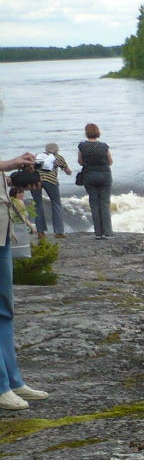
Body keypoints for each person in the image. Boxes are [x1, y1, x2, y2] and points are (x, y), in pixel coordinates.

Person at [0, 148, 50, 411]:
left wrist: (13, 180)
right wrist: (10, 163)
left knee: (5, 310)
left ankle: (13, 381)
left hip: (3, 229)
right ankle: (1, 387)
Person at [78, 123, 113, 239]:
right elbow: (110, 161)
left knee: (94, 204)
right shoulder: (104, 146)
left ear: (86, 133)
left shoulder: (82, 146)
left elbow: (80, 162)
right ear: (98, 132)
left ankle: (98, 233)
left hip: (89, 175)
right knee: (105, 203)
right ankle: (107, 232)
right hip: (104, 175)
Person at [34, 143, 71, 240]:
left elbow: (33, 167)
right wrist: (69, 171)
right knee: (56, 204)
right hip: (50, 181)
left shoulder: (38, 156)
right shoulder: (58, 157)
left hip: (35, 180)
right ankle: (58, 232)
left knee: (38, 204)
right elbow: (68, 171)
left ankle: (40, 232)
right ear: (57, 150)